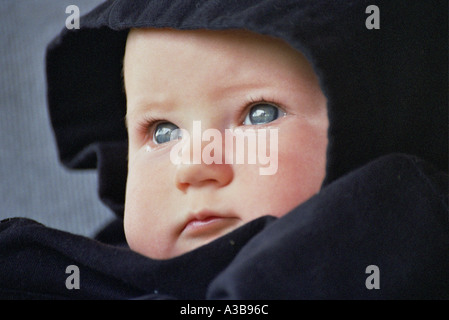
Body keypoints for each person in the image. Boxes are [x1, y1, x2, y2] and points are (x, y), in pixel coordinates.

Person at [0, 0, 447, 300]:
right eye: (162, 132)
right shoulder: (86, 260)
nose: (194, 166)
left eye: (259, 115)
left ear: (367, 127)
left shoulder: (392, 216)